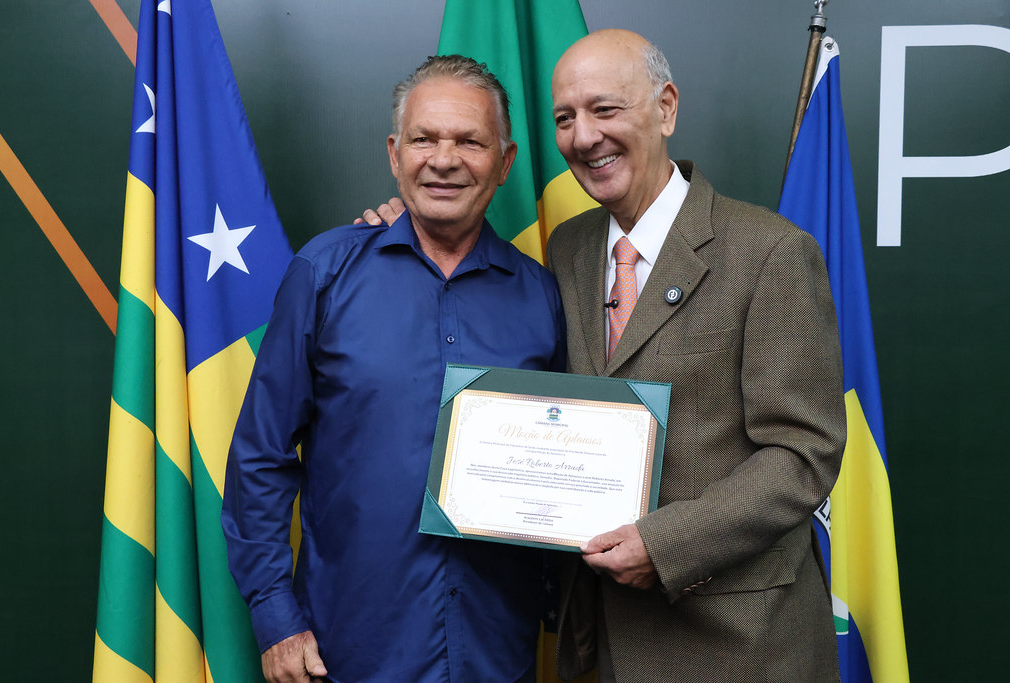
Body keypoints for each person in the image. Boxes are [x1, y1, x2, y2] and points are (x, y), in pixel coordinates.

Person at [364, 29, 845, 682]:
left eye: (605, 109)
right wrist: (403, 227)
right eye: (564, 118)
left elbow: (804, 452)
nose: (584, 136)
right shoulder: (569, 248)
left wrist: (666, 544)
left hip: (737, 643)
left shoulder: (770, 252)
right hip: (601, 639)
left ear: (665, 108)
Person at [223, 54, 566, 683]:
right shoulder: (323, 274)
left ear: (505, 161)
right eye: (423, 139)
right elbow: (260, 455)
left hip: (497, 651)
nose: (444, 159)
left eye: (470, 141)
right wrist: (275, 615)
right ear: (394, 154)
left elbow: (563, 460)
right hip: (349, 651)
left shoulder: (542, 295)